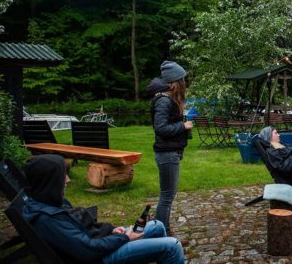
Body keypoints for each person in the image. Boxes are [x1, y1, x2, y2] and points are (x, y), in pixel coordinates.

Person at [22, 154, 184, 263]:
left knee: (157, 225)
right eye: (62, 175)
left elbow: (84, 228)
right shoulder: (47, 219)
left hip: (100, 242)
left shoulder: (50, 201)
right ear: (49, 180)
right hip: (99, 257)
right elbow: (88, 251)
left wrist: (111, 230)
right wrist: (125, 237)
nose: (68, 180)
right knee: (172, 246)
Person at [146, 60, 192, 237]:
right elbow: (161, 129)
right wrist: (183, 127)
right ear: (176, 81)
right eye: (182, 79)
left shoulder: (167, 99)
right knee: (166, 197)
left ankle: (163, 231)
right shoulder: (164, 101)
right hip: (167, 153)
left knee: (167, 196)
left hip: (171, 152)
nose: (185, 83)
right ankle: (161, 234)